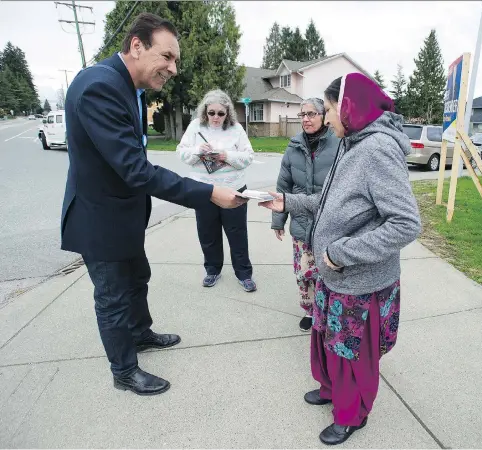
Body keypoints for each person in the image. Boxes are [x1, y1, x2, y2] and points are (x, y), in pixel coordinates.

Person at [61, 13, 247, 397]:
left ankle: (140, 334)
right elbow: (135, 169)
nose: (173, 68)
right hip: (101, 221)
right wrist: (209, 193)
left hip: (123, 216)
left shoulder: (126, 87)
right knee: (112, 298)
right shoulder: (99, 86)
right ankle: (124, 372)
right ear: (136, 46)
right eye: (167, 56)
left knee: (137, 280)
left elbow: (133, 161)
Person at [260, 73, 421, 445]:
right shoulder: (351, 143)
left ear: (349, 107)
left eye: (330, 109)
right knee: (325, 338)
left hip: (358, 281)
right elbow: (329, 202)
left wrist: (340, 252)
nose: (327, 118)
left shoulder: (377, 149)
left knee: (351, 353)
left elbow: (406, 223)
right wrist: (287, 202)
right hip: (333, 275)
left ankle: (352, 415)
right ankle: (331, 388)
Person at [177, 90, 257, 292]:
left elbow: (248, 156)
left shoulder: (236, 129)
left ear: (227, 113)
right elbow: (181, 152)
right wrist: (197, 150)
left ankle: (244, 274)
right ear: (204, 111)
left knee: (237, 233)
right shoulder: (196, 127)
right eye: (211, 112)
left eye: (220, 114)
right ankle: (212, 270)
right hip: (203, 189)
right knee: (207, 232)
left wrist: (226, 155)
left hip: (233, 189)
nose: (215, 117)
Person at [271, 98, 339, 331]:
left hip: (327, 222)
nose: (306, 119)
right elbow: (283, 186)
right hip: (300, 221)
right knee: (304, 272)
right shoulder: (294, 145)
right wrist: (278, 220)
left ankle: (328, 311)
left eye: (311, 114)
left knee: (327, 271)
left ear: (323, 116)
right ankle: (310, 311)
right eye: (303, 115)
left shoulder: (338, 143)